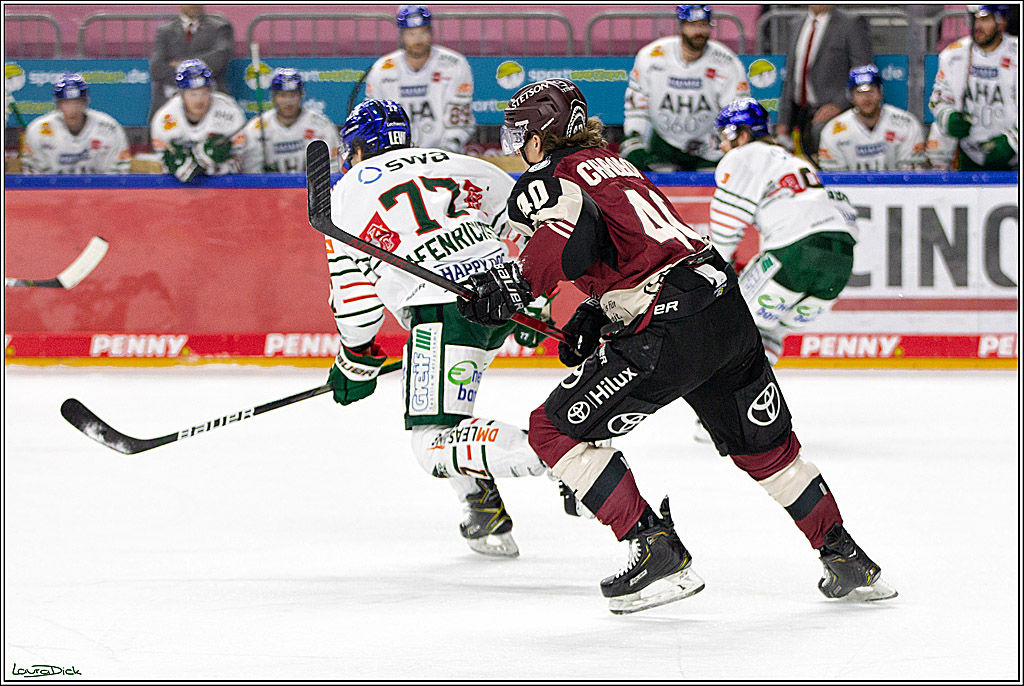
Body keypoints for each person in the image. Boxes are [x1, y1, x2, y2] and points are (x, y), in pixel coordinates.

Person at [455, 79, 895, 614]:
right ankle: (845, 556)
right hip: (724, 306)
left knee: (552, 432)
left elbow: (561, 236)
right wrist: (597, 314)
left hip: (672, 320)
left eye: (522, 133)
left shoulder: (549, 177)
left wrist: (513, 284)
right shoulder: (616, 165)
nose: (516, 144)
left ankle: (655, 550)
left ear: (545, 135)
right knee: (768, 450)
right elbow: (622, 248)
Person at [325, 99, 556, 558]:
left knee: (431, 441)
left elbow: (357, 308)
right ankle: (480, 503)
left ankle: (559, 452)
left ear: (354, 149)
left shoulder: (346, 192)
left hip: (439, 310)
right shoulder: (463, 164)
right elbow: (534, 225)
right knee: (448, 421)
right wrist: (539, 298)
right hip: (500, 299)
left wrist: (354, 361)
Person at [711, 99, 859, 365]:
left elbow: (726, 227)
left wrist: (714, 268)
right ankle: (760, 393)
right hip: (841, 263)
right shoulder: (795, 161)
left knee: (734, 316)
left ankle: (737, 397)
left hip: (795, 251)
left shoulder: (743, 155)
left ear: (741, 135)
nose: (721, 145)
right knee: (772, 331)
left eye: (724, 136)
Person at [621, 4, 749, 172]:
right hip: (663, 144)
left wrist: (731, 144)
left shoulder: (727, 62)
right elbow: (637, 104)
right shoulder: (651, 56)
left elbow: (736, 110)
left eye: (703, 25)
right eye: (692, 25)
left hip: (709, 149)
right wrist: (635, 136)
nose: (699, 31)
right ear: (681, 26)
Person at [363, 5, 474, 153]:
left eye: (422, 32)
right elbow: (375, 117)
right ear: (401, 35)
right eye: (411, 33)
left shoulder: (454, 64)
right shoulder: (381, 69)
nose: (417, 39)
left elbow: (459, 116)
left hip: (444, 153)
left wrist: (448, 149)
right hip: (397, 154)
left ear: (431, 32)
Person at [776, 5, 873, 161]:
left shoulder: (851, 23)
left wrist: (839, 105)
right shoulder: (795, 24)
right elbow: (791, 76)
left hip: (834, 111)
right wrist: (783, 121)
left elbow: (862, 72)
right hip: (800, 111)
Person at [928, 5, 1018, 171]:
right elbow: (937, 100)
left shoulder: (1016, 53)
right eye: (974, 19)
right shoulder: (953, 55)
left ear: (1001, 21)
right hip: (969, 153)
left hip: (1013, 155)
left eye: (985, 19)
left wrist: (1013, 140)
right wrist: (948, 118)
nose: (977, 25)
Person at [151, 59, 246, 183]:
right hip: (181, 190)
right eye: (193, 94)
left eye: (204, 93)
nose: (199, 101)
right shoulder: (164, 119)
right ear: (181, 94)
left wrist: (215, 166)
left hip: (223, 187)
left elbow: (239, 162)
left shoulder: (231, 114)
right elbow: (164, 163)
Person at [817, 65, 927, 171]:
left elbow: (911, 174)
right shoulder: (833, 131)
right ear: (851, 97)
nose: (866, 98)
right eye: (859, 93)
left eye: (871, 91)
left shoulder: (906, 124)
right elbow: (835, 180)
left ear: (880, 93)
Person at [22, 73, 130, 174]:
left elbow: (120, 170)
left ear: (86, 102)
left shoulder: (109, 128)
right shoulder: (38, 129)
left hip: (99, 191)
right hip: (52, 191)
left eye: (77, 102)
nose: (72, 108)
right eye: (66, 103)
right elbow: (31, 171)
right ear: (58, 104)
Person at [241, 68, 341, 173]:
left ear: (301, 95)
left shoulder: (321, 126)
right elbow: (250, 171)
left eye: (293, 95)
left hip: (308, 186)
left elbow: (333, 167)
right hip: (269, 187)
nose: (288, 102)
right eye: (283, 95)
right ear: (273, 97)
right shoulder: (256, 128)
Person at [148, 5, 234, 123]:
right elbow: (156, 69)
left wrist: (178, 63)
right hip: (170, 98)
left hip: (210, 97)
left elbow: (218, 60)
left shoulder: (220, 28)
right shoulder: (164, 31)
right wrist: (198, 64)